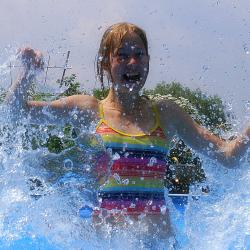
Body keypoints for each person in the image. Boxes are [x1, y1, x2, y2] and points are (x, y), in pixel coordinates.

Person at [4, 22, 250, 237]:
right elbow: (14, 114)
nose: (132, 62)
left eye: (139, 55)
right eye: (121, 55)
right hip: (106, 242)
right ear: (105, 63)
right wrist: (26, 76)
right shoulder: (88, 110)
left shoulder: (166, 114)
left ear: (148, 61)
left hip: (159, 244)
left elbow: (228, 157)